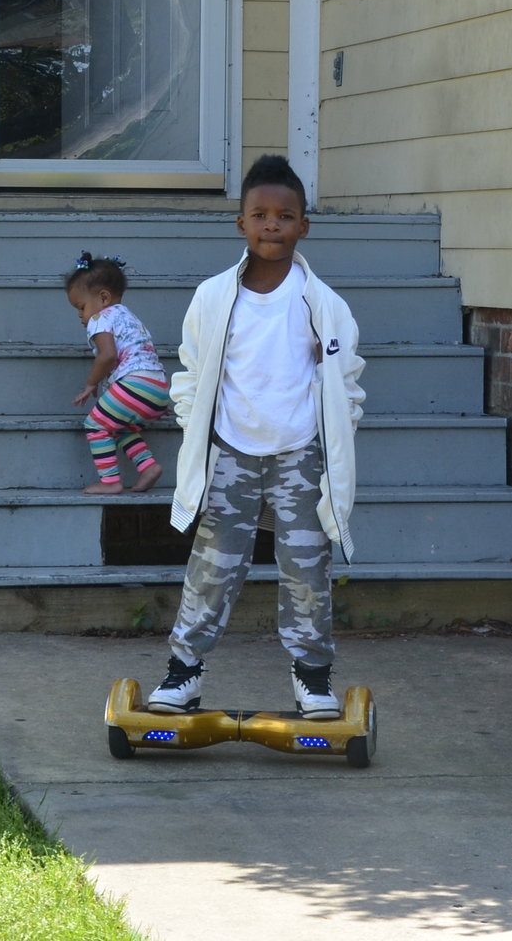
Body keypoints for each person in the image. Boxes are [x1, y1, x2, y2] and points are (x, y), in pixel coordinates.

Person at [147, 154, 364, 721]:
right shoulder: (215, 298)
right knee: (213, 565)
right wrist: (197, 428)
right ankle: (183, 674)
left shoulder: (325, 306)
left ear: (303, 226)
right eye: (260, 215)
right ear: (240, 223)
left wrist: (333, 436)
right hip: (232, 453)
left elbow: (349, 386)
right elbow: (191, 375)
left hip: (299, 456)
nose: (273, 225)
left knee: (307, 567)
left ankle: (313, 679)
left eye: (285, 216)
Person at [64, 253, 170, 496]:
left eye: (81, 307)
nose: (81, 315)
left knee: (95, 424)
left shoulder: (101, 318)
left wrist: (91, 384)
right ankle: (148, 466)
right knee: (119, 426)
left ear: (103, 298)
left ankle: (110, 480)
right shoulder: (129, 317)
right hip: (157, 387)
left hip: (135, 385)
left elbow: (107, 356)